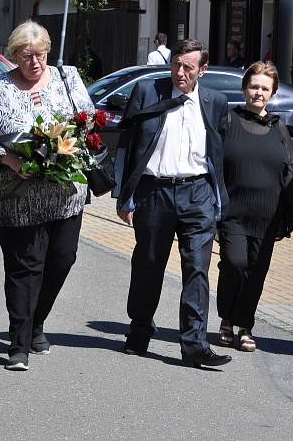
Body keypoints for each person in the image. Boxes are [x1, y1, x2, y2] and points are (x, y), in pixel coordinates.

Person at [0, 20, 94, 371]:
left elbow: (88, 119)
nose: (33, 62)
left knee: (62, 260)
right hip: (17, 197)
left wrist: (67, 143)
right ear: (14, 56)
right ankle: (18, 344)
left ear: (48, 51)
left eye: (38, 54)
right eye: (25, 56)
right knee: (25, 268)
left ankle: (37, 321)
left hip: (65, 192)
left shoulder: (67, 78)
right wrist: (10, 159)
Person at [114, 38, 231, 368]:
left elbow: (219, 150)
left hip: (197, 194)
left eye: (188, 67)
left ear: (202, 70)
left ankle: (194, 343)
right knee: (148, 264)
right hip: (155, 192)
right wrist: (124, 196)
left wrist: (218, 199)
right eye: (176, 64)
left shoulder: (215, 101)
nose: (180, 72)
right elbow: (129, 143)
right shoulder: (149, 93)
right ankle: (139, 330)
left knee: (197, 270)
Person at [216, 61, 293, 352]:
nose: (258, 92)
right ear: (244, 88)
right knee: (235, 263)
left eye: (265, 88)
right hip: (233, 213)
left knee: (256, 272)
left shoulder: (279, 128)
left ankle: (244, 326)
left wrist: (292, 211)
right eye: (254, 86)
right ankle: (226, 317)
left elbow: (290, 169)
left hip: (267, 216)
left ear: (273, 93)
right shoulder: (228, 121)